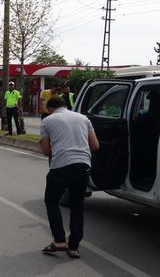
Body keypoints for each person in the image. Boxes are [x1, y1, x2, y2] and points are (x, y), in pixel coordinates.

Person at [40, 96, 100, 260]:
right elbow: (95, 145)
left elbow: (46, 151)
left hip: (61, 166)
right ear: (65, 105)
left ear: (50, 108)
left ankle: (59, 240)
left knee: (51, 201)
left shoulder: (47, 121)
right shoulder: (83, 118)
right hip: (83, 167)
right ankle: (73, 247)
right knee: (77, 206)